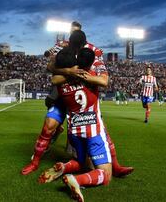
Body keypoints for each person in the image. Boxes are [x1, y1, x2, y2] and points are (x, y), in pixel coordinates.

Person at [21, 26, 133, 178]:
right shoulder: (62, 46)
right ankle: (34, 162)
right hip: (63, 94)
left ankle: (115, 166)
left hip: (82, 96)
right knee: (49, 125)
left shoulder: (93, 51)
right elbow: (50, 67)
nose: (71, 47)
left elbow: (102, 78)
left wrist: (79, 74)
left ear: (81, 44)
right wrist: (68, 71)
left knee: (101, 129)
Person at [40, 47, 111, 202]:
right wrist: (86, 75)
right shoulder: (92, 75)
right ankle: (76, 180)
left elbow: (53, 79)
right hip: (93, 131)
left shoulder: (63, 80)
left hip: (74, 132)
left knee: (83, 162)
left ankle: (64, 167)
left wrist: (69, 72)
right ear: (91, 63)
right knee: (105, 174)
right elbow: (104, 81)